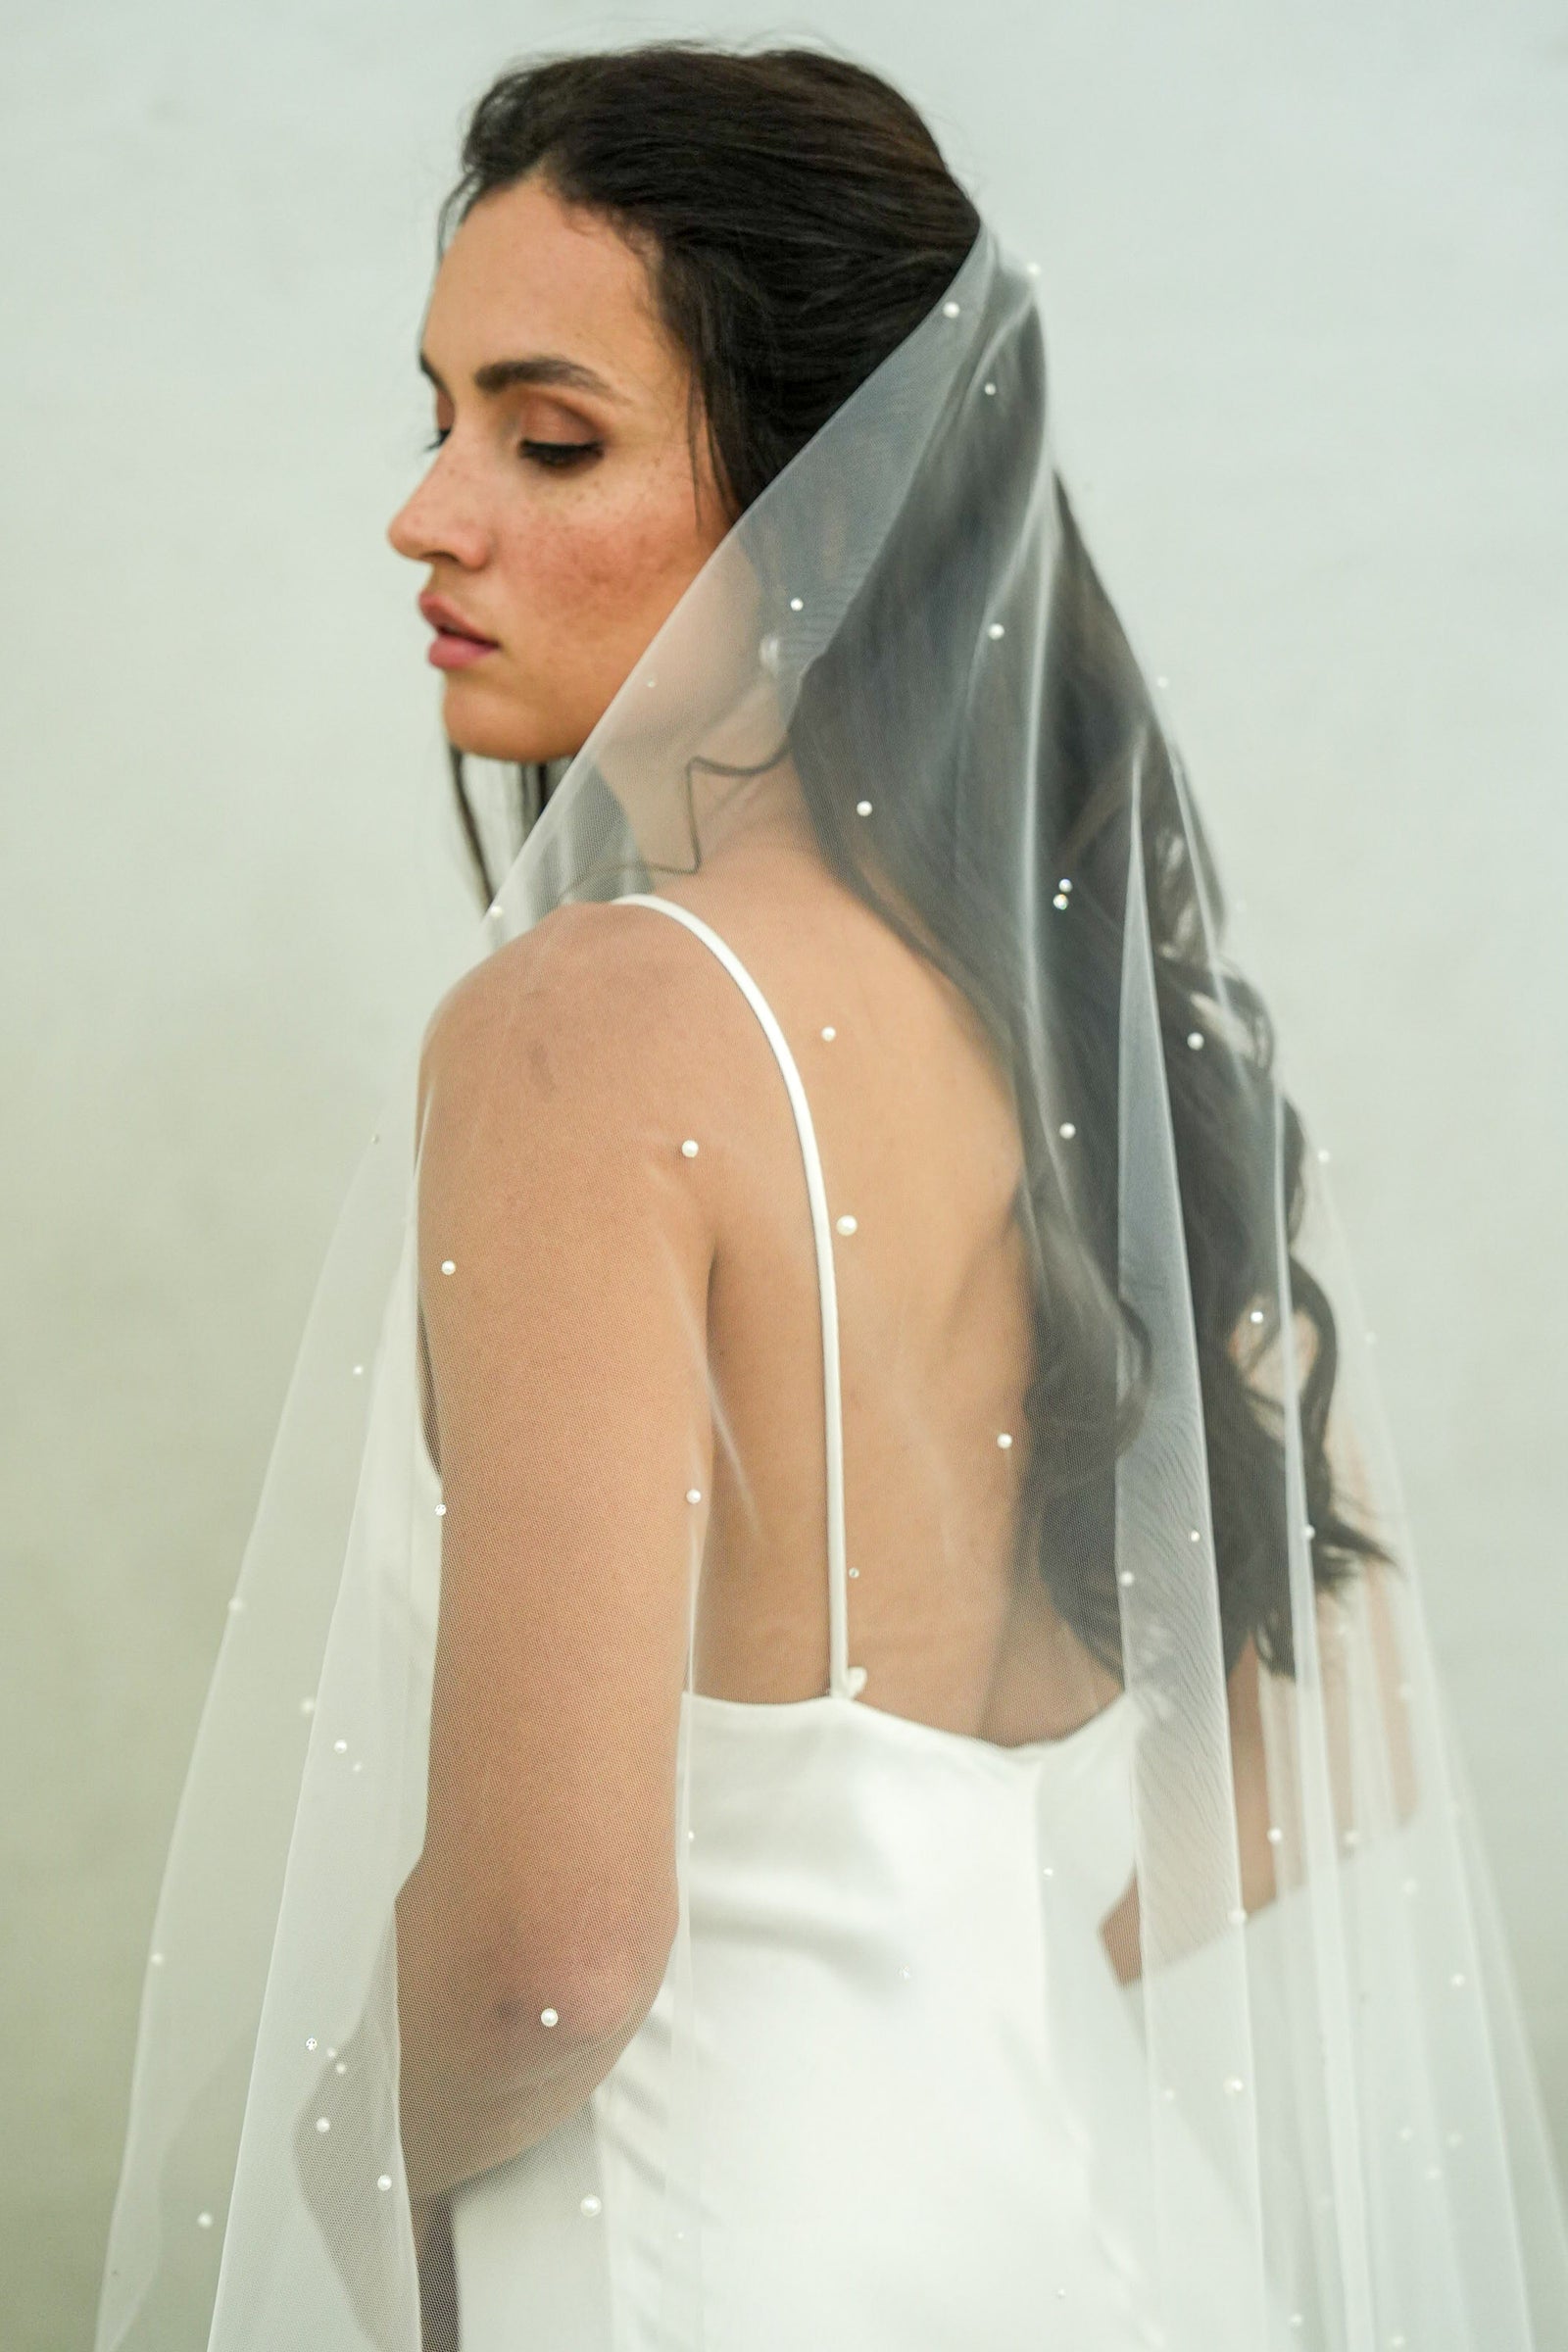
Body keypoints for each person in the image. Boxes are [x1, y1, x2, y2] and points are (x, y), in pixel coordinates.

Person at [95, 39, 1568, 2352]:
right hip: (1108, 2238)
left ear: (812, 494)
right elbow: (1331, 1705)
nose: (429, 512)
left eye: (547, 435)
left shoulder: (590, 1034)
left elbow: (552, 1956)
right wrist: (946, 1966)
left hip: (705, 2265)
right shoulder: (1076, 1007)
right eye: (440, 416)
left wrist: (316, 2177)